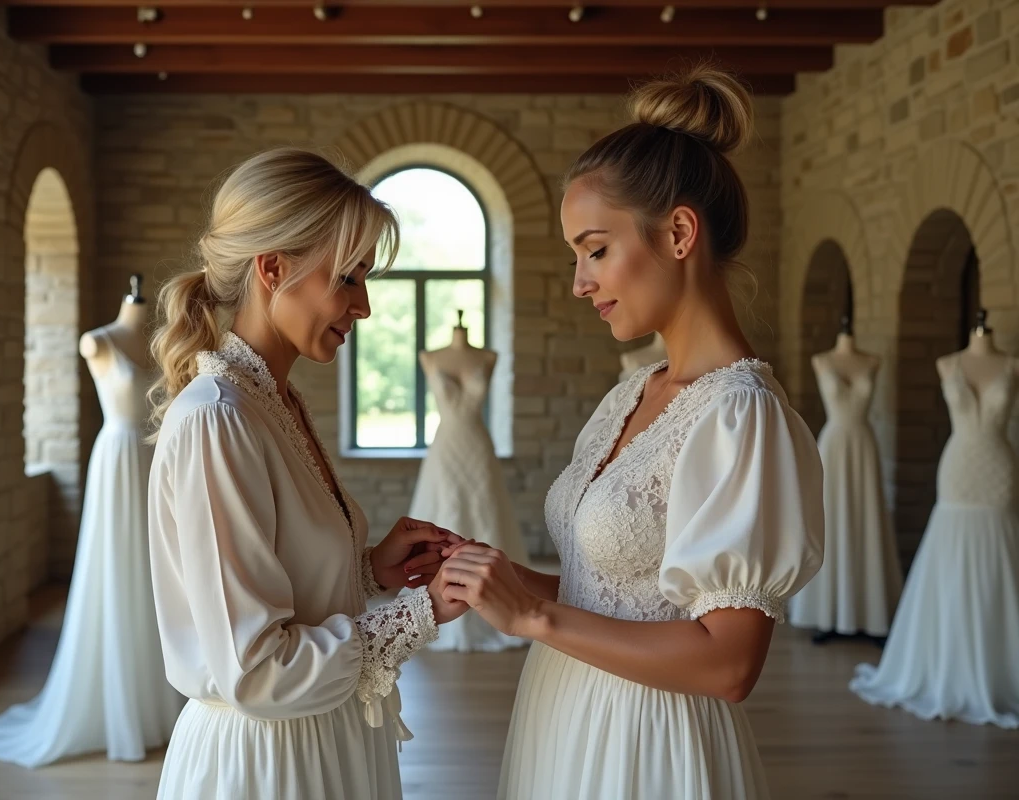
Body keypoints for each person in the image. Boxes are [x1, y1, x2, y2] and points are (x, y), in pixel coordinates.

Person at [433, 67, 825, 799]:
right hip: (563, 709)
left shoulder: (742, 415)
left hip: (649, 740)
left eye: (595, 249)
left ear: (678, 233)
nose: (580, 282)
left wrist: (535, 613)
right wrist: (504, 580)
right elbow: (612, 590)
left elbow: (728, 665)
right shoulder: (627, 395)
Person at [145, 148, 467, 800]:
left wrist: (370, 569)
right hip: (269, 763)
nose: (366, 306)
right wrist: (419, 613)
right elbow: (257, 669)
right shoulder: (218, 418)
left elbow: (280, 587)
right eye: (348, 277)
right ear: (273, 268)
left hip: (326, 739)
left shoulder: (276, 402)